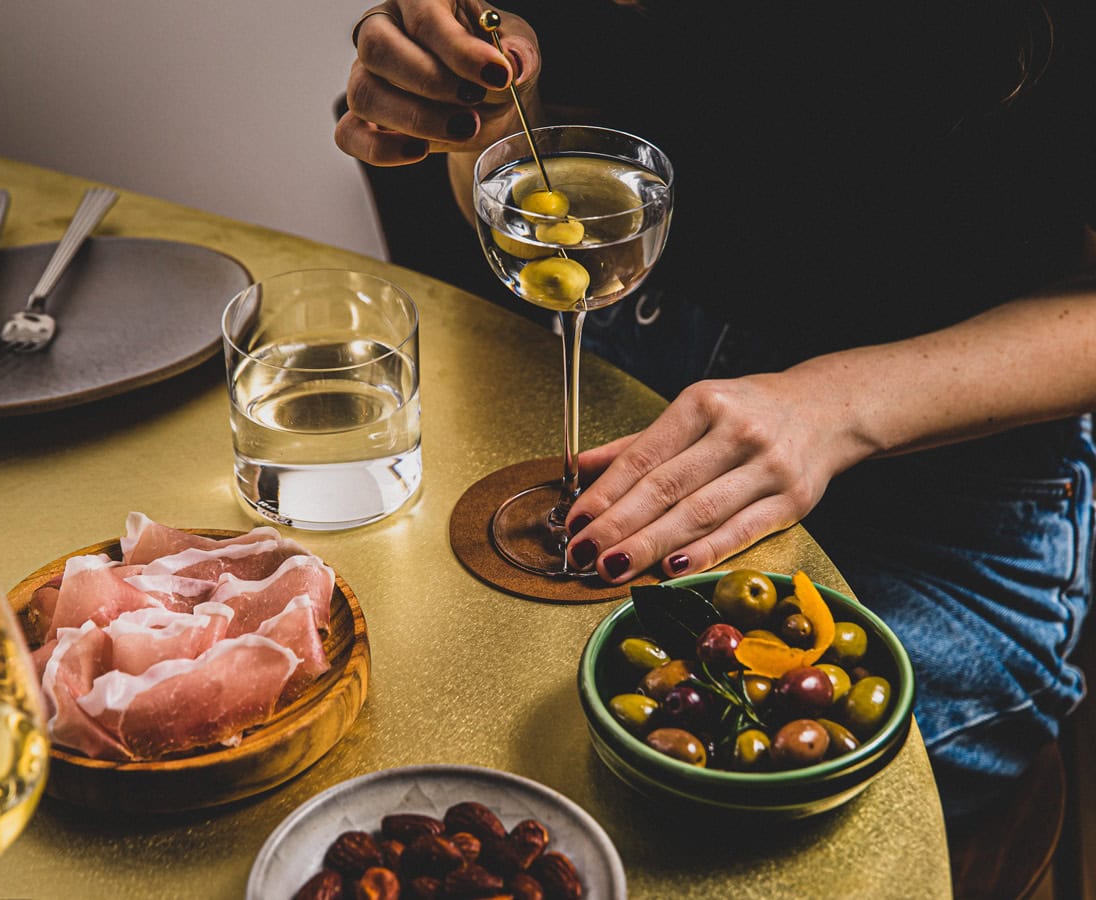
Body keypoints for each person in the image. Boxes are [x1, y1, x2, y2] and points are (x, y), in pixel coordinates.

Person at [336, 0, 1096, 820]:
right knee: (414, 733)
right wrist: (474, 106)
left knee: (611, 804)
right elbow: (528, 192)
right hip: (627, 381)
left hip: (940, 506)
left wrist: (832, 408)